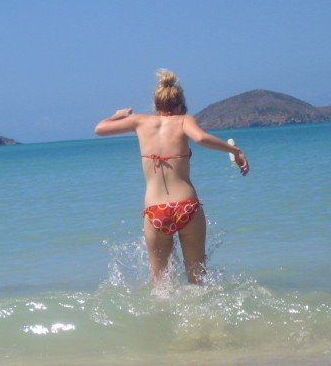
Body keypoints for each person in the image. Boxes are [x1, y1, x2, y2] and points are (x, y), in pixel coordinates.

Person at [94, 69, 249, 286]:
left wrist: (118, 115)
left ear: (156, 104)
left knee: (161, 286)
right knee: (198, 282)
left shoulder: (139, 121)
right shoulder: (184, 121)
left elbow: (99, 129)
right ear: (179, 105)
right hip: (187, 207)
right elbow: (201, 138)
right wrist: (235, 151)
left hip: (155, 211)